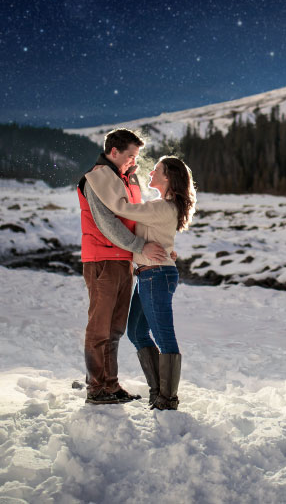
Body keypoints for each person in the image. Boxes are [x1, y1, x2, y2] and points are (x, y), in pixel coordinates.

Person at [86, 155, 197, 410]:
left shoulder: (161, 207)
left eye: (156, 170)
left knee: (163, 335)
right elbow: (158, 237)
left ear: (167, 177)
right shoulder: (162, 206)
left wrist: (99, 179)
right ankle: (158, 390)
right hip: (149, 274)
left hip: (157, 275)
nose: (150, 173)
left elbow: (122, 208)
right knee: (136, 332)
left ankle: (168, 399)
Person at [76, 128, 169, 405]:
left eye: (136, 156)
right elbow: (107, 223)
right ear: (113, 152)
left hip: (123, 259)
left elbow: (136, 217)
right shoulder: (96, 179)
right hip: (102, 260)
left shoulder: (126, 178)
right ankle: (96, 388)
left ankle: (110, 385)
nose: (134, 161)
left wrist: (157, 242)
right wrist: (140, 246)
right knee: (100, 327)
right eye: (130, 156)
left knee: (115, 327)